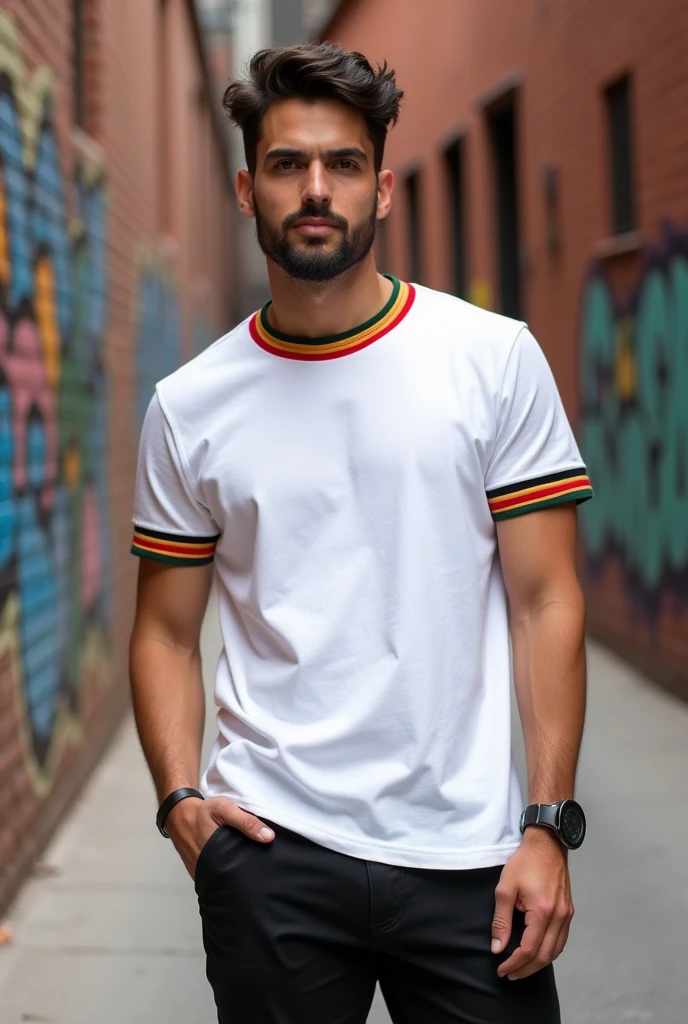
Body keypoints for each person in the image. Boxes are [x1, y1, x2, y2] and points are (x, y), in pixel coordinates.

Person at [128, 41, 593, 1024]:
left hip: (469, 854)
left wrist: (546, 824)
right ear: (246, 185)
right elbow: (164, 629)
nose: (314, 188)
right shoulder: (189, 404)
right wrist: (182, 808)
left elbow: (545, 599)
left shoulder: (491, 360)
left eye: (341, 164)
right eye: (288, 164)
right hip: (270, 854)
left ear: (382, 188)